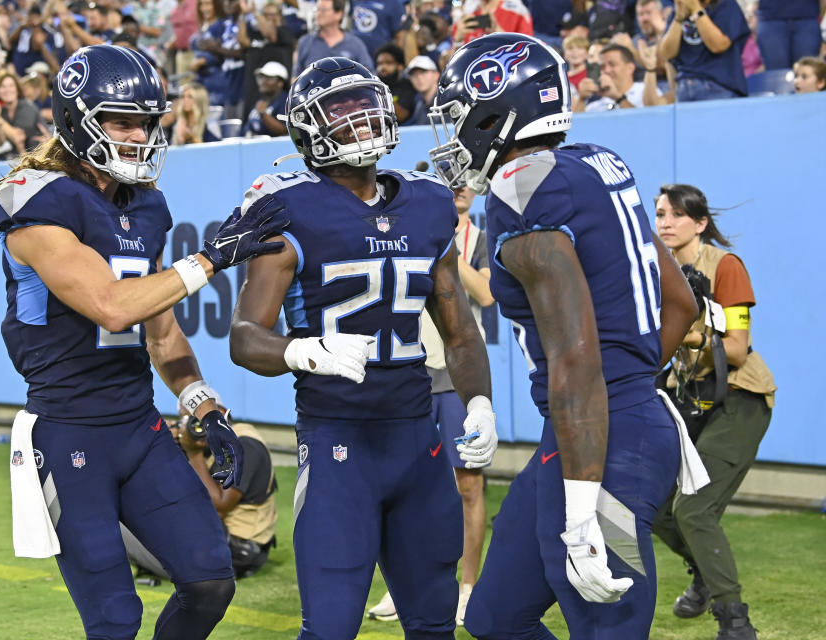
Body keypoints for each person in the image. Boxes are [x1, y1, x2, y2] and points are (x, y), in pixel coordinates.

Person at [0, 44, 288, 640]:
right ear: (79, 118)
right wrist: (210, 259)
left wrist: (202, 402)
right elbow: (109, 303)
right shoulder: (35, 200)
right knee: (115, 618)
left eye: (146, 122)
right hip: (68, 430)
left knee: (210, 580)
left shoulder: (146, 207)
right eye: (120, 120)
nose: (136, 135)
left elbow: (161, 329)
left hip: (138, 427)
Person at [426, 33, 704, 639]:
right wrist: (627, 386)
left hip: (601, 435)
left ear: (501, 112)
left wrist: (583, 511)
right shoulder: (597, 164)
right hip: (601, 421)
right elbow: (680, 302)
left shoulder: (524, 190)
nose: (454, 135)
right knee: (496, 618)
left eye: (460, 118)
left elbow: (575, 359)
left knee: (607, 629)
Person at [229, 56, 494, 640]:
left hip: (418, 442)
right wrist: (305, 351)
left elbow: (460, 330)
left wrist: (479, 404)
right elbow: (245, 338)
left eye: (367, 103)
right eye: (342, 110)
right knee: (330, 629)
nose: (363, 119)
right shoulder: (286, 207)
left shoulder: (426, 202)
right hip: (337, 445)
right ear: (307, 129)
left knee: (433, 625)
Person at [652, 184, 776, 640]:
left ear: (700, 223)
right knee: (659, 507)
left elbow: (738, 350)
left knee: (694, 508)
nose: (665, 222)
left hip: (739, 398)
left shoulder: (725, 266)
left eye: (677, 215)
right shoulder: (657, 271)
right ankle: (705, 573)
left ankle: (735, 621)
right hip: (688, 399)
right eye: (660, 213)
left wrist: (684, 334)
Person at [367, 183, 494, 626]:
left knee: (469, 486)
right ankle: (402, 585)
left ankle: (468, 587)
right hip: (411, 375)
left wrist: (445, 244)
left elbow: (486, 294)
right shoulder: (405, 230)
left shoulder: (477, 238)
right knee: (403, 485)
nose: (459, 188)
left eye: (466, 182)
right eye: (449, 181)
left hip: (457, 380)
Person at [123, 412, 279, 581]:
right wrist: (166, 446)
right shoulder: (210, 443)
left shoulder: (243, 444)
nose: (197, 424)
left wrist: (193, 453)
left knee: (114, 523)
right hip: (216, 546)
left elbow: (219, 505)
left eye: (197, 414)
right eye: (189, 419)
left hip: (232, 555)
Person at [657, 0, 750, 101]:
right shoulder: (681, 9)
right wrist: (678, 19)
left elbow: (718, 45)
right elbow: (666, 54)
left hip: (718, 86)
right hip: (684, 87)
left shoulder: (726, 5)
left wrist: (697, 10)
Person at [291, 0, 375, 77]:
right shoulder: (305, 42)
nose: (318, 13)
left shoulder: (356, 44)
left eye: (323, 10)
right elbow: (296, 77)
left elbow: (370, 75)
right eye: (317, 9)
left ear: (339, 14)